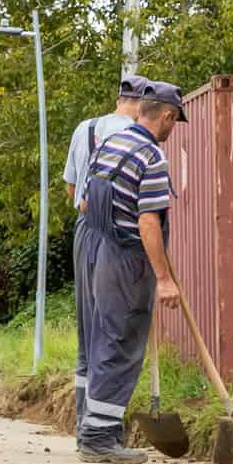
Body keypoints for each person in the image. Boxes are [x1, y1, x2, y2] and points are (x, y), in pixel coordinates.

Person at [76, 82, 186, 463]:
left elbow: (87, 202)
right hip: (130, 261)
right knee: (121, 346)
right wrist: (164, 278)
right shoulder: (151, 156)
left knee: (105, 340)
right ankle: (99, 439)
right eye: (175, 122)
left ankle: (94, 430)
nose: (173, 130)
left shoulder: (108, 145)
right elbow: (148, 223)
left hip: (102, 251)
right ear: (167, 116)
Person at [61, 75, 145, 427]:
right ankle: (102, 427)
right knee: (115, 330)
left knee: (88, 329)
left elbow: (70, 188)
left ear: (118, 99)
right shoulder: (139, 139)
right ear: (143, 106)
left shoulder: (87, 128)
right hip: (120, 237)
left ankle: (84, 421)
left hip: (85, 230)